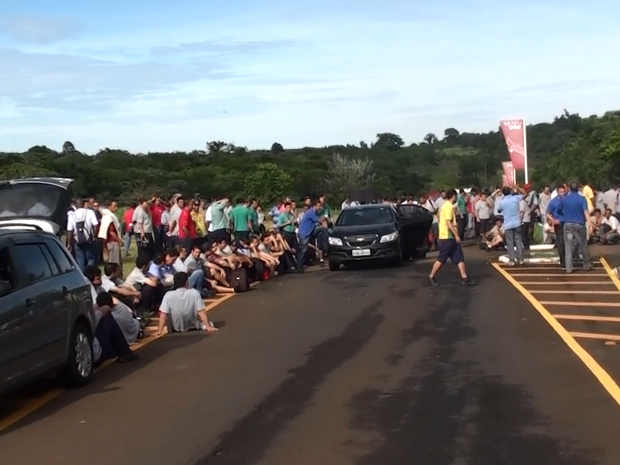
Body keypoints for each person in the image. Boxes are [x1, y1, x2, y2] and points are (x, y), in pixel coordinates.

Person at [428, 189, 475, 287]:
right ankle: (431, 276)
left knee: (459, 257)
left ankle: (464, 278)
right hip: (447, 237)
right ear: (453, 196)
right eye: (456, 196)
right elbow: (448, 223)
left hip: (450, 237)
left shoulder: (445, 206)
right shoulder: (448, 207)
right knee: (441, 259)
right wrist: (456, 235)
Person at [562, 182, 592, 273]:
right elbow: (586, 212)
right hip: (579, 224)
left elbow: (561, 210)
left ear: (569, 189)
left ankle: (568, 268)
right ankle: (587, 264)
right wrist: (590, 223)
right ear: (578, 189)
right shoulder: (582, 199)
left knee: (568, 246)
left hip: (567, 224)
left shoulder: (565, 199)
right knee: (583, 244)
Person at [497, 186, 523, 266]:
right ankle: (520, 258)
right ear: (511, 191)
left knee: (510, 242)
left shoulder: (503, 201)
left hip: (508, 224)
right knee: (518, 241)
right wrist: (517, 187)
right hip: (517, 223)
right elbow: (525, 194)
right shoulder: (515, 198)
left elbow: (498, 210)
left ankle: (512, 260)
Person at [546, 185, 566, 269]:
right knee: (561, 243)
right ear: (557, 192)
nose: (562, 193)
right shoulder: (553, 202)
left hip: (567, 223)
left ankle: (570, 259)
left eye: (563, 192)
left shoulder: (567, 200)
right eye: (560, 192)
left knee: (568, 242)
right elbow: (547, 213)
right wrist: (553, 220)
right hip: (559, 224)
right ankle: (563, 262)